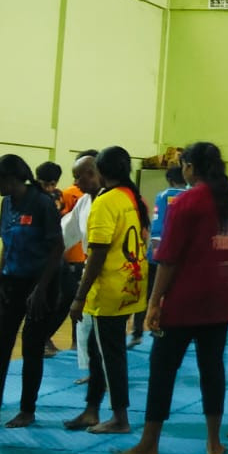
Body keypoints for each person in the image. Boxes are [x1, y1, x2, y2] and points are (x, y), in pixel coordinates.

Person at [116, 143, 228, 454]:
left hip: (185, 301)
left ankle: (149, 444)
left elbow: (169, 258)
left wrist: (154, 303)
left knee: (162, 369)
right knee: (212, 368)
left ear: (190, 167)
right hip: (220, 301)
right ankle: (214, 442)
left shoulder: (188, 202)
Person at [0, 155, 64, 430]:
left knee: (32, 347)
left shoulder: (42, 203)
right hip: (11, 282)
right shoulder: (6, 204)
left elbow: (57, 248)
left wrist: (41, 289)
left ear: (14, 178)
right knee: (0, 346)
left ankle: (27, 410)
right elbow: (6, 244)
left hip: (40, 284)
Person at [63, 146, 149, 435]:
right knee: (98, 350)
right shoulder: (129, 196)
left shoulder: (106, 201)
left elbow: (97, 253)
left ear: (100, 171)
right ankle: (92, 409)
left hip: (110, 287)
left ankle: (119, 417)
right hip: (129, 283)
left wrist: (79, 296)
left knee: (110, 355)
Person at [49, 152, 101, 360]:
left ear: (94, 173)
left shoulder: (115, 200)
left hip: (111, 272)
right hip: (86, 266)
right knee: (85, 324)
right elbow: (65, 233)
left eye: (79, 177)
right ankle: (92, 369)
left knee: (105, 331)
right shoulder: (84, 202)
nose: (76, 183)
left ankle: (104, 372)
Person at [132, 166, 187, 348]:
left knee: (149, 294)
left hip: (160, 255)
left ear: (169, 180)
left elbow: (157, 228)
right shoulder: (191, 197)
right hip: (182, 257)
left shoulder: (163, 196)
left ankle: (137, 332)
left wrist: (156, 255)